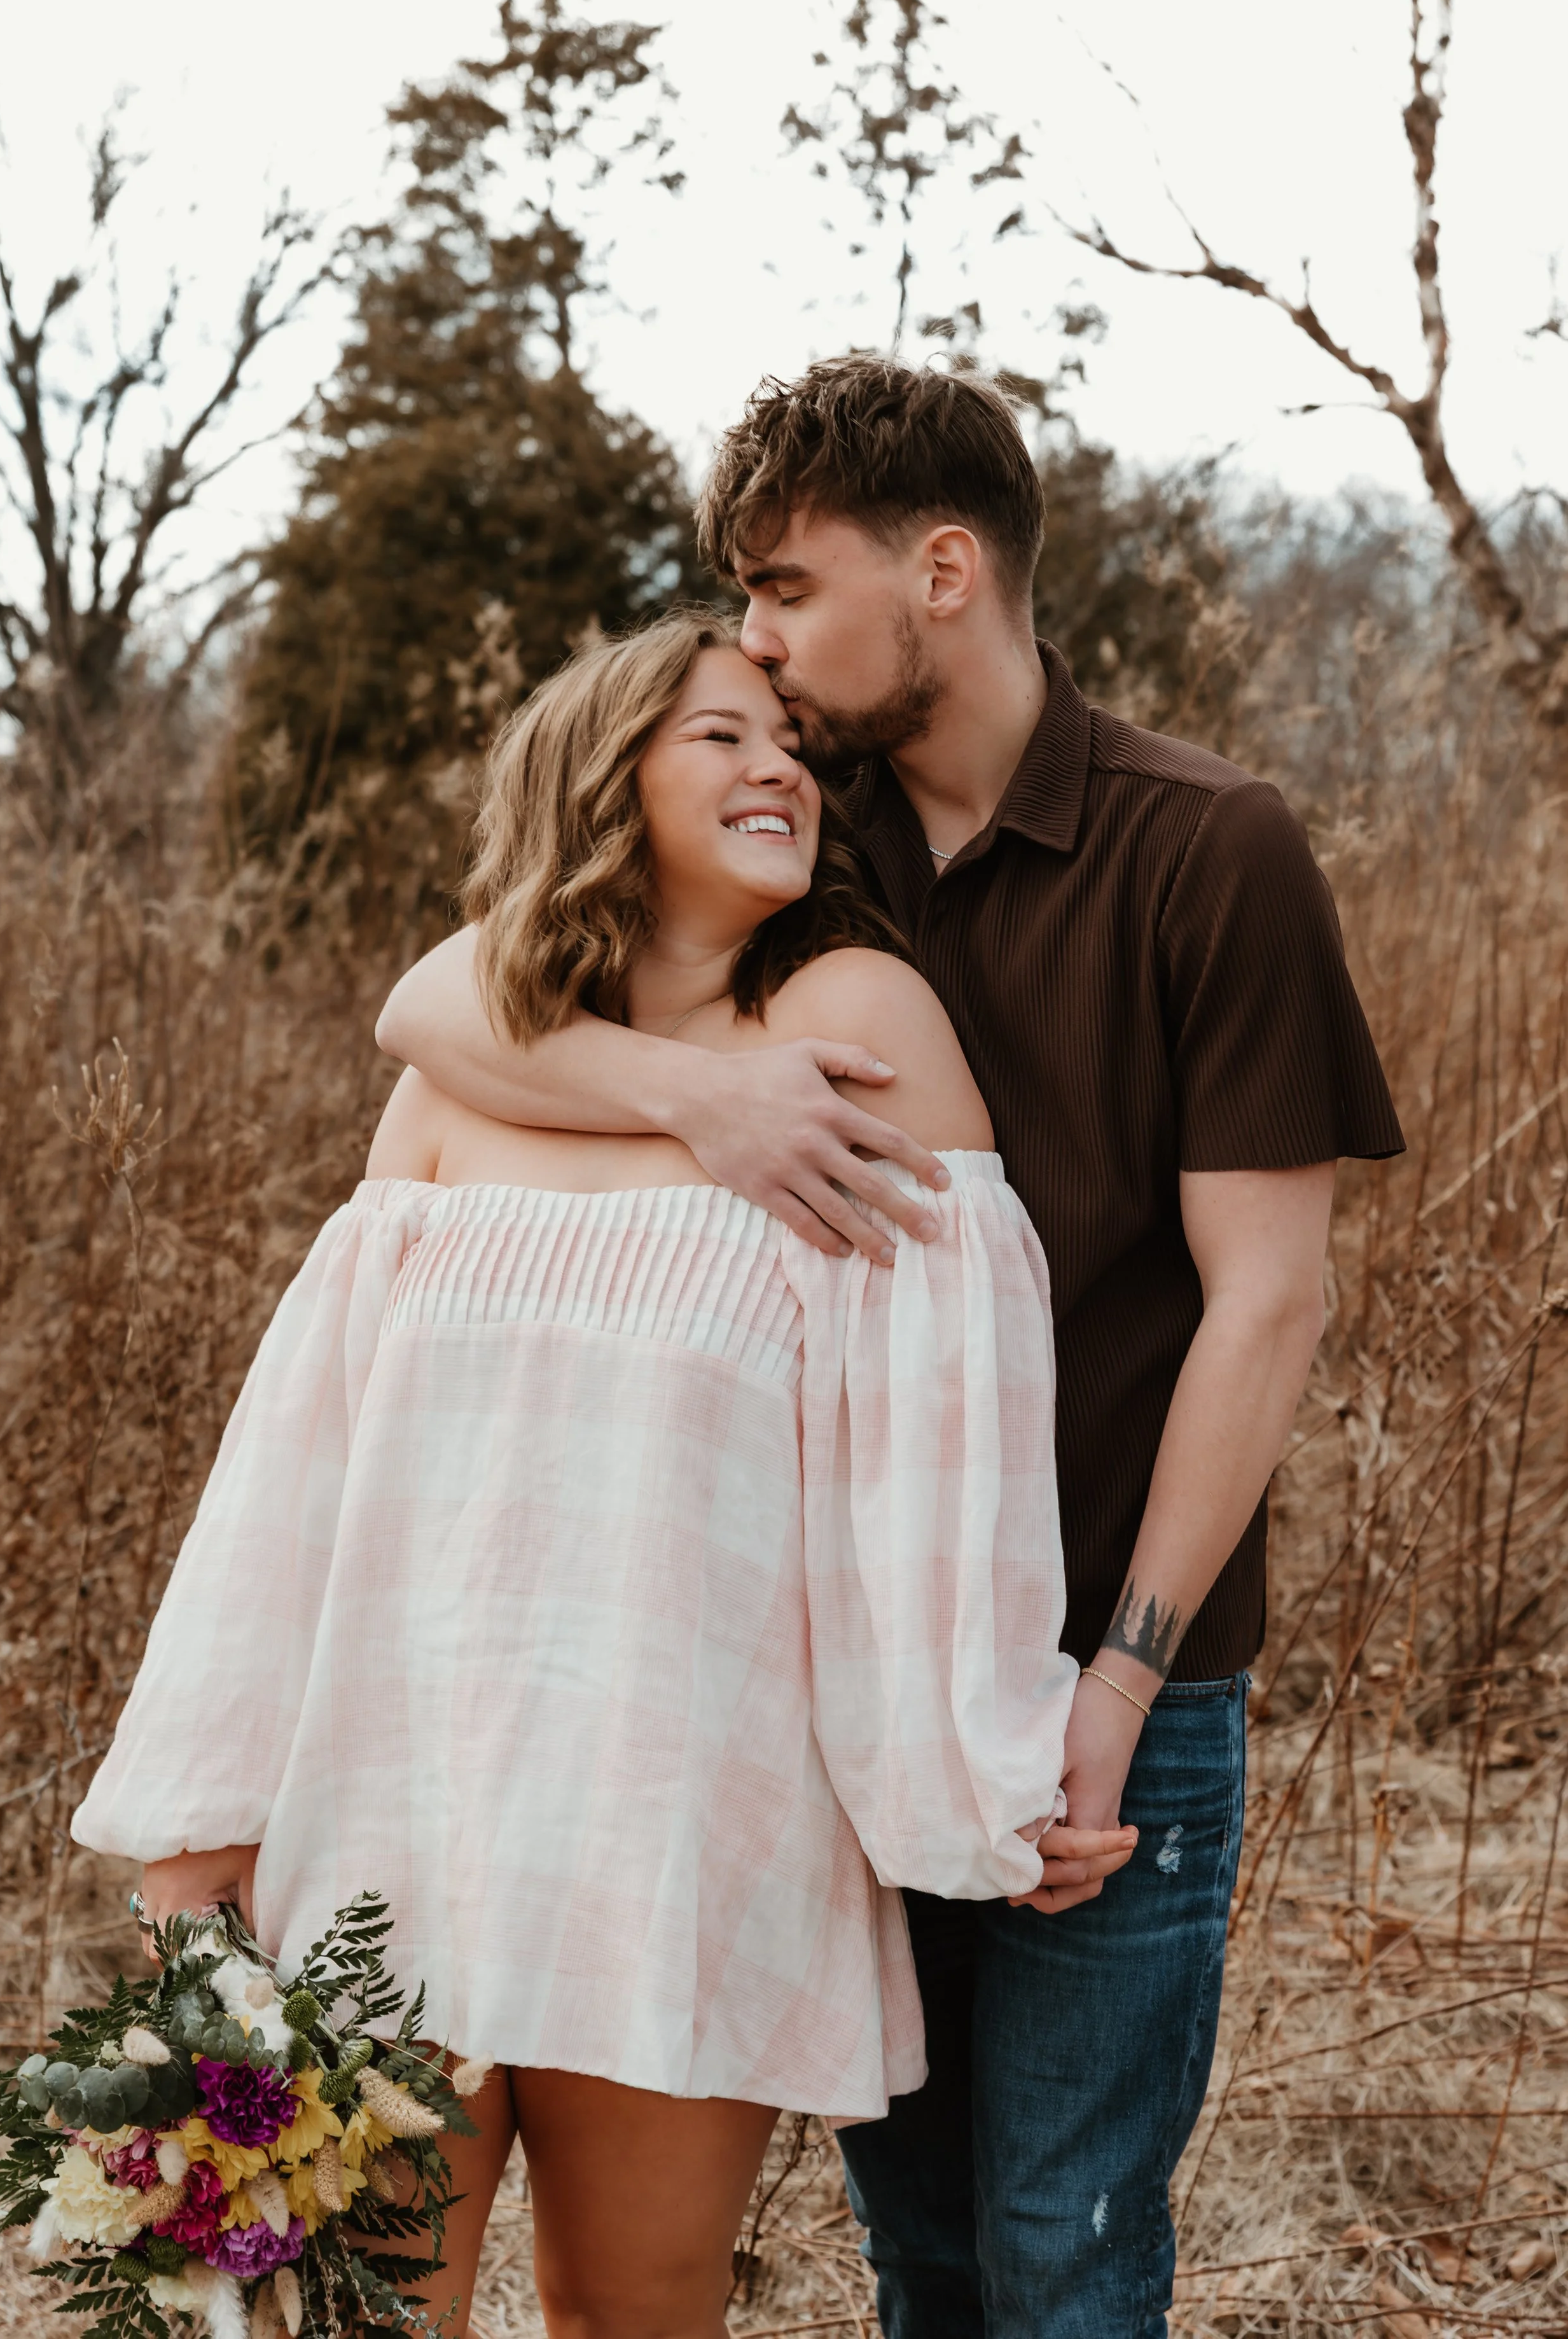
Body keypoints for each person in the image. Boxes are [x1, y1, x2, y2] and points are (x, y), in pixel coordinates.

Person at [377, 358, 1406, 2337]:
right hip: (842, 1668)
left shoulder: (1208, 848)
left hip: (1113, 1667)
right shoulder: (794, 828)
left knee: (1064, 2240)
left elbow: (1264, 1301)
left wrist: (1117, 1679)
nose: (755, 638)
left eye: (783, 587)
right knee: (920, 2245)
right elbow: (438, 998)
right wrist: (700, 1097)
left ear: (941, 570)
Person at [73, 608, 1130, 2339]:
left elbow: (935, 1453)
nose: (781, 766)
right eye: (722, 734)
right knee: (347, 2312)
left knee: (630, 2311)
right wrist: (205, 1814)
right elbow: (302, 1471)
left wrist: (983, 1765)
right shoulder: (459, 1068)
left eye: (791, 742)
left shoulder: (854, 1026)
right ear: (603, 773)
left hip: (677, 1821)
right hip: (388, 1809)